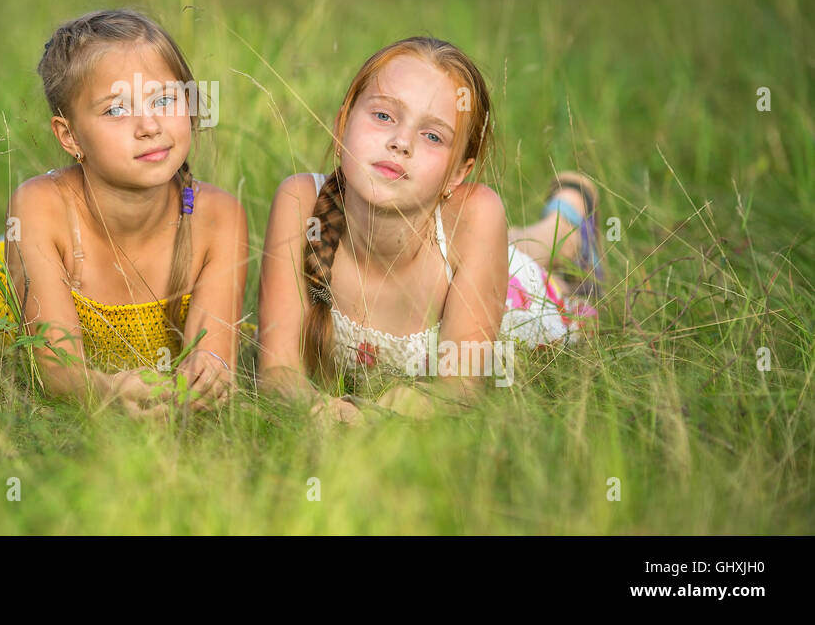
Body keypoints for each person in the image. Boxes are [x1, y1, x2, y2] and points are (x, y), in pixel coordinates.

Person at [257, 36, 602, 423]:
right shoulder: (301, 203)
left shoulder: (477, 216)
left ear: (458, 173)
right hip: (464, 250)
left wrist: (385, 414)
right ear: (341, 126)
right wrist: (316, 409)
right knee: (512, 245)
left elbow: (459, 391)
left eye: (432, 135)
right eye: (384, 116)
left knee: (543, 266)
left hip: (512, 294)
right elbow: (277, 370)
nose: (400, 142)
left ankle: (571, 215)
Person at [0, 9, 248, 418]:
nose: (150, 125)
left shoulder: (218, 216)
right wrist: (107, 391)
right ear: (70, 136)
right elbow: (55, 369)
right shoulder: (40, 208)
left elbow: (213, 357)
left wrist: (203, 381)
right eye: (117, 110)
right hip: (2, 309)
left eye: (166, 99)